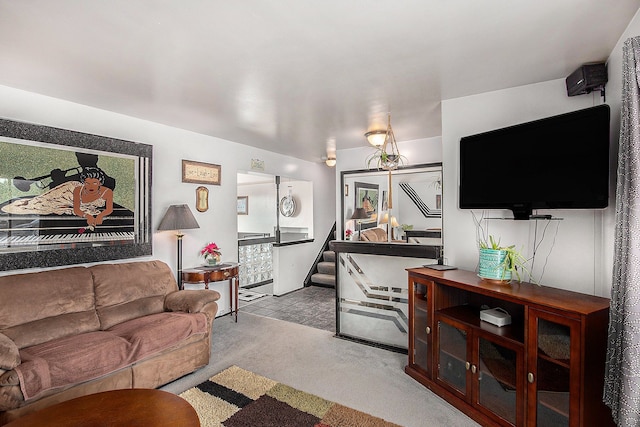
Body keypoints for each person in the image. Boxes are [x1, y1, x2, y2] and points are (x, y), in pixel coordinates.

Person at [2, 167, 114, 230]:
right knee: (37, 204)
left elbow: (109, 209)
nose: (90, 186)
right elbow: (77, 209)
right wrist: (87, 215)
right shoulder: (76, 188)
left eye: (94, 183)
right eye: (87, 183)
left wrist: (100, 215)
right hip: (66, 193)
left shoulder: (107, 192)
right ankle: (24, 228)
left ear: (100, 183)